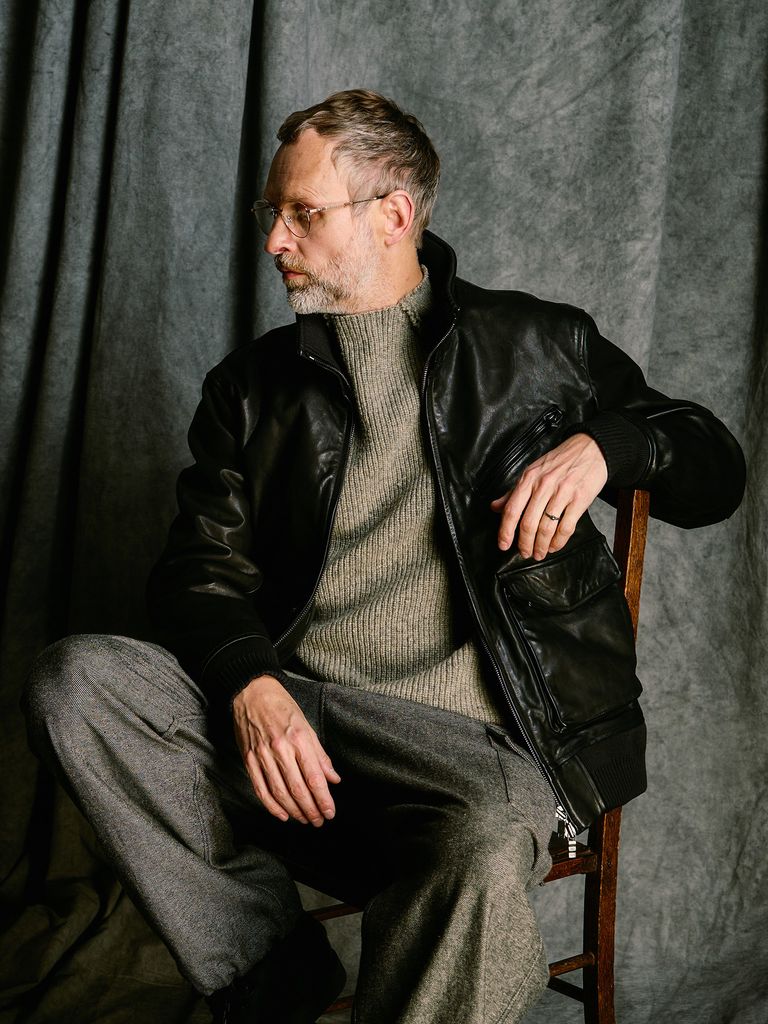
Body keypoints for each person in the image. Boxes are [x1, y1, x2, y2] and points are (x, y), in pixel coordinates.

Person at [24, 89, 746, 1024]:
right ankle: (271, 966)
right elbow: (198, 573)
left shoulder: (538, 346)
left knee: (481, 848)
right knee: (79, 681)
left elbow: (714, 469)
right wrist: (252, 684)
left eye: (303, 213)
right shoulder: (250, 389)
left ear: (394, 214)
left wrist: (612, 444)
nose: (275, 240)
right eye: (271, 213)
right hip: (303, 720)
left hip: (470, 743)